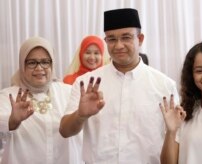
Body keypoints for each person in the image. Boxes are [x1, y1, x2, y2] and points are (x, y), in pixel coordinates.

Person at [59, 8, 179, 163]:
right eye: (112, 39)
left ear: (140, 39)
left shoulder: (164, 86)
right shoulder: (87, 83)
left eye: (126, 37)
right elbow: (65, 131)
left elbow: (174, 140)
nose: (118, 45)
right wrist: (81, 115)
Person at [0, 36, 82, 164]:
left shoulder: (68, 92)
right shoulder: (8, 96)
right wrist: (12, 121)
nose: (39, 68)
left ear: (52, 63)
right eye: (32, 62)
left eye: (45, 62)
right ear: (22, 65)